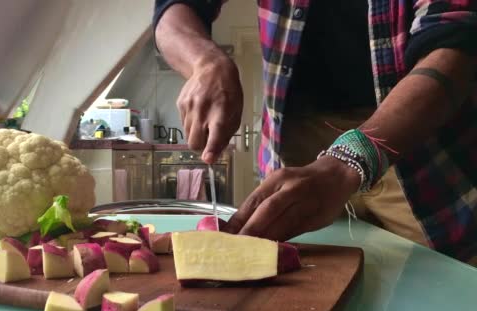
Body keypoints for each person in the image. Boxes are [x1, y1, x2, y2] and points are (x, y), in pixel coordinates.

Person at [152, 0, 477, 264]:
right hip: (295, 143)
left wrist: (349, 159)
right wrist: (205, 62)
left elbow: (455, 43)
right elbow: (175, 8)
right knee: (293, 287)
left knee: (444, 288)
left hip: (414, 137)